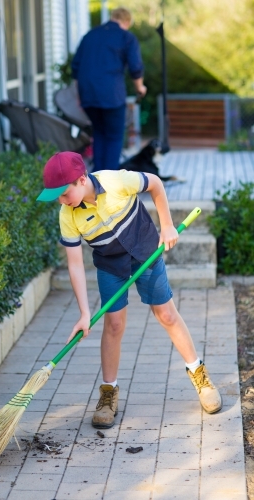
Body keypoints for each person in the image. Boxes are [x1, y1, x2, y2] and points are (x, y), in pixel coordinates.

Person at [37, 151, 222, 429]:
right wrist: (84, 313)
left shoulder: (116, 181)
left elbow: (156, 184)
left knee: (167, 315)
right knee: (113, 325)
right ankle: (108, 393)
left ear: (81, 179)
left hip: (146, 251)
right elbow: (75, 265)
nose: (62, 202)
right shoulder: (68, 215)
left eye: (64, 194)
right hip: (110, 266)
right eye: (57, 198)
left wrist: (168, 225)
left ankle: (199, 374)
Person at [71, 7, 147, 172]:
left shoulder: (90, 35)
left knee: (99, 135)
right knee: (114, 137)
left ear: (113, 17)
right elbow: (135, 67)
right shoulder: (126, 37)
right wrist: (140, 87)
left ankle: (97, 181)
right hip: (111, 95)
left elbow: (75, 67)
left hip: (88, 95)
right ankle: (110, 185)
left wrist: (79, 95)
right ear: (126, 22)